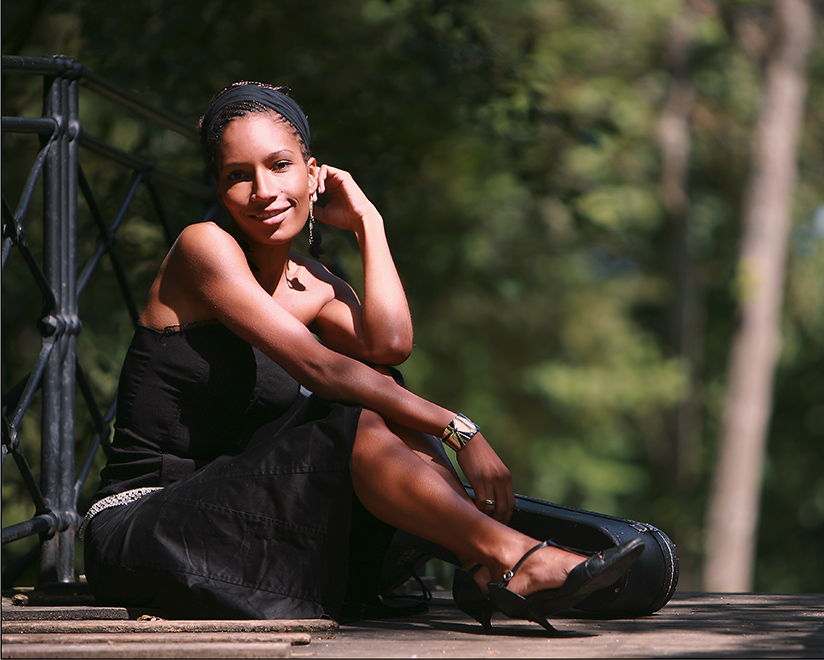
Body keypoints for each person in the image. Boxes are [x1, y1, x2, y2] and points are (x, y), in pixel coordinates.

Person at [81, 82, 642, 632]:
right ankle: (511, 557)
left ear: (312, 172)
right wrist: (459, 431)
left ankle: (491, 559)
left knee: (379, 386)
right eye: (237, 177)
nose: (263, 191)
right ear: (219, 189)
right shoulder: (204, 248)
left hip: (246, 517)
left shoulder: (313, 283)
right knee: (354, 409)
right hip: (147, 526)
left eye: (280, 165)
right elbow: (320, 367)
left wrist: (367, 222)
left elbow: (389, 345)